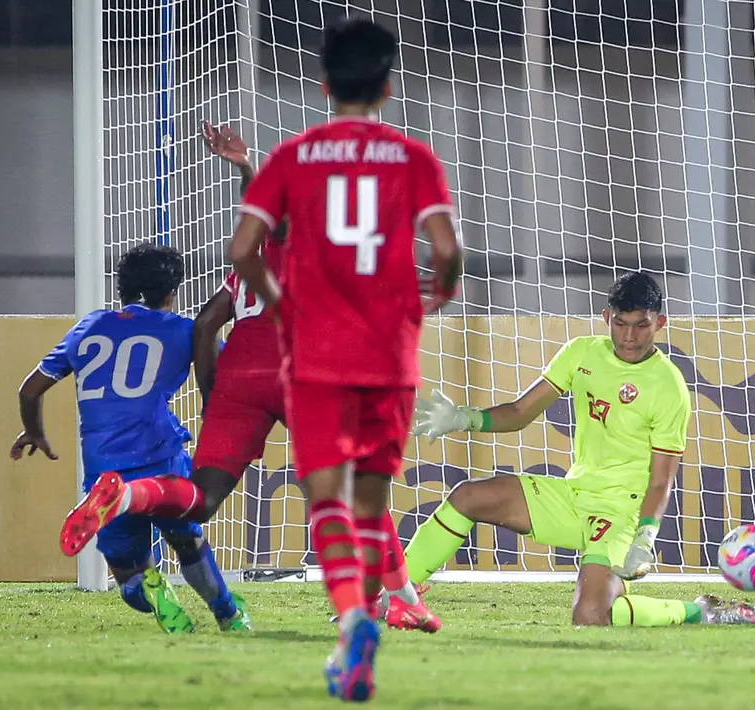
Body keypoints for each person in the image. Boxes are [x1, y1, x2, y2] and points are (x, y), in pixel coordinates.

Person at [60, 119, 443, 638]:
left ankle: (126, 496)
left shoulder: (245, 271)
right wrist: (244, 168)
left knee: (202, 496)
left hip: (241, 369)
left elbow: (206, 323)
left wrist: (214, 395)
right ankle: (399, 600)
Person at [231, 17, 461, 702]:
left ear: (324, 83)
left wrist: (280, 307)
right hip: (389, 355)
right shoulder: (414, 158)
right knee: (369, 503)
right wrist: (438, 296)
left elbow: (244, 249)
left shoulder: (293, 157)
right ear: (387, 87)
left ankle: (353, 623)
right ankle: (361, 625)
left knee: (323, 496)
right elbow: (446, 250)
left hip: (317, 353)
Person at [403, 272, 755, 629]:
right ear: (607, 318)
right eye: (621, 323)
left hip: (617, 512)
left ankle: (698, 611)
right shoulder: (581, 354)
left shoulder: (669, 386)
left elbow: (661, 479)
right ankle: (398, 597)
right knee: (467, 496)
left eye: (641, 325)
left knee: (590, 616)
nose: (629, 337)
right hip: (573, 495)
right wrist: (464, 418)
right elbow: (520, 412)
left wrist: (644, 536)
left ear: (660, 323)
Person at [14, 243, 250, 634]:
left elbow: (29, 390)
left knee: (127, 575)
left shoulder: (88, 327)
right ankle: (227, 612)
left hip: (104, 470)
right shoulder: (184, 331)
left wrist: (34, 431)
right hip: (161, 460)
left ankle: (155, 592)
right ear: (171, 292)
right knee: (187, 540)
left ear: (121, 287)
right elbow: (227, 372)